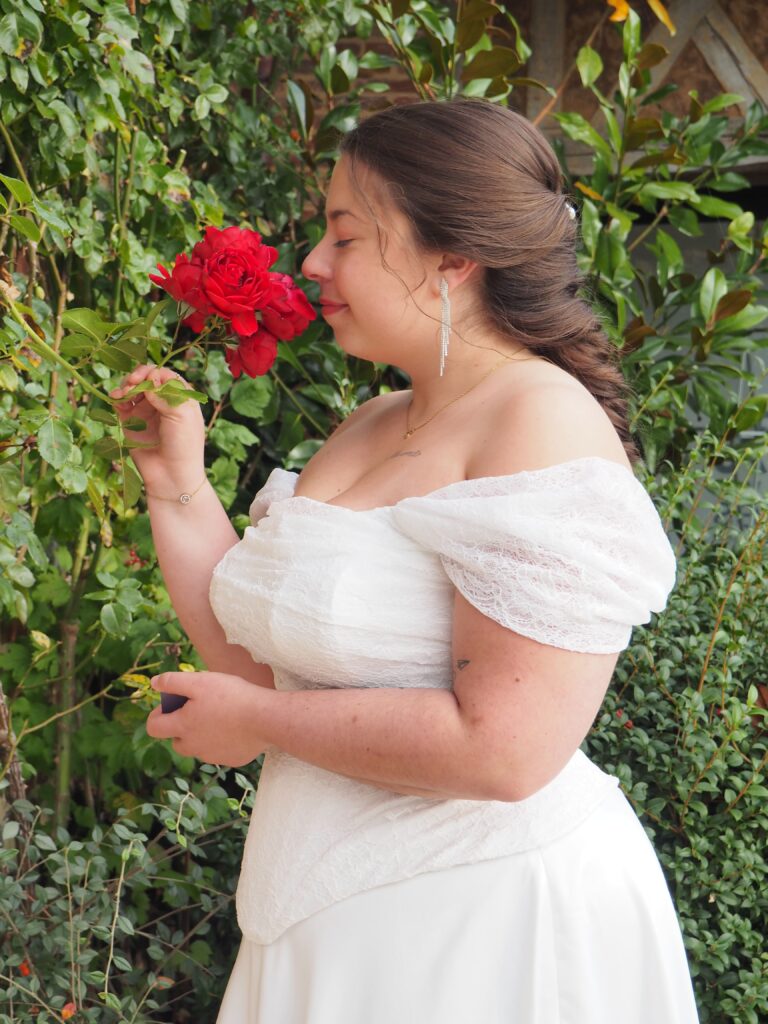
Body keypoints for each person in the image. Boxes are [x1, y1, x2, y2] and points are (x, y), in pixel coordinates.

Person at [113, 99, 700, 1023]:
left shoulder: (537, 419)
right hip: (321, 916)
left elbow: (505, 748)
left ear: (452, 259)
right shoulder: (377, 420)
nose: (311, 262)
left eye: (345, 234)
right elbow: (258, 665)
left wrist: (260, 720)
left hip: (477, 927)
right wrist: (176, 483)